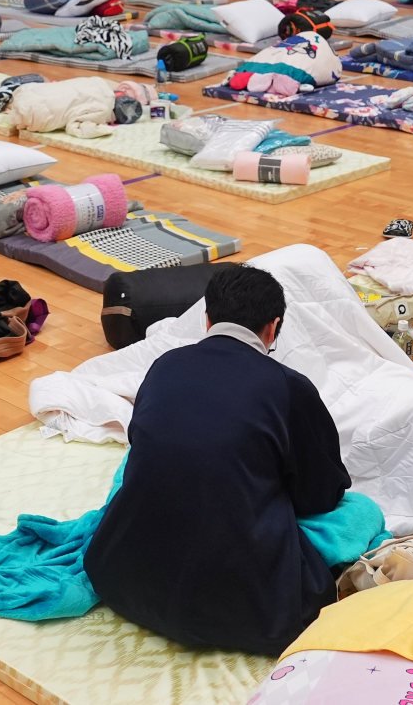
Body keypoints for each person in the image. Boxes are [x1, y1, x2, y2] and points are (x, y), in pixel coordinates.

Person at [84, 267, 349, 657]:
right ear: (273, 327)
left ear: (208, 320)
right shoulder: (289, 386)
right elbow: (321, 494)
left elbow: (143, 445)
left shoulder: (165, 366)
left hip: (121, 577)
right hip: (254, 613)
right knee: (358, 513)